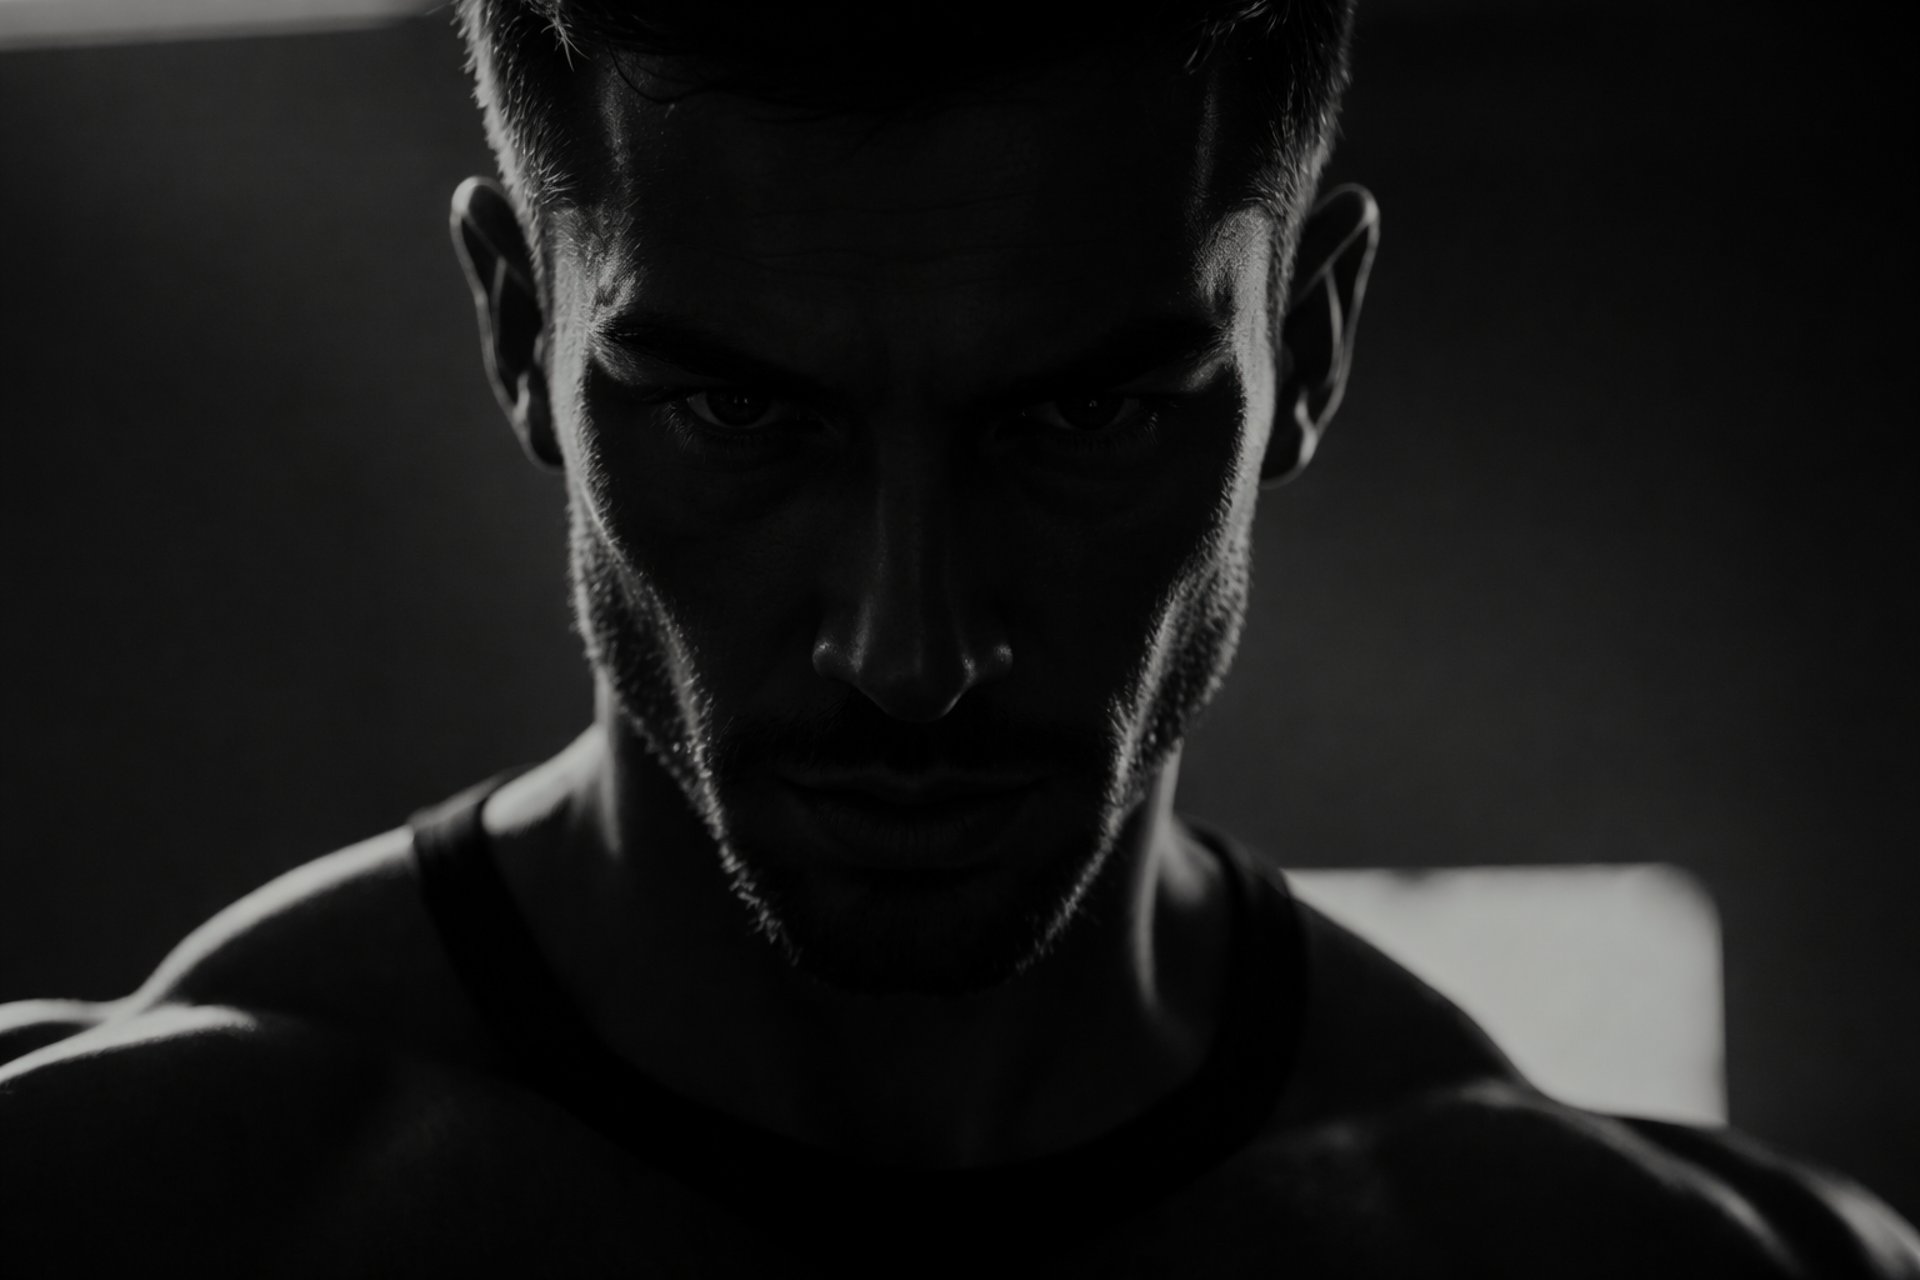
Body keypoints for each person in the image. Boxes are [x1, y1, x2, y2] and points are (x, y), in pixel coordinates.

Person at [2, 1, 1915, 1274]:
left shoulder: (1660, 1265)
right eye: (734, 412)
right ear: (517, 328)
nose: (908, 653)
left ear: (1308, 343)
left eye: (1080, 416)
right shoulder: (110, 1209)